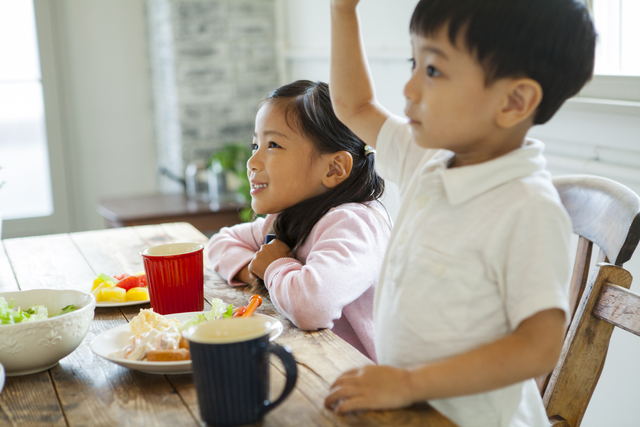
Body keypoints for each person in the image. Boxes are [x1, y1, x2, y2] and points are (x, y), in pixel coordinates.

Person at [324, 0, 596, 425]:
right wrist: (342, 12)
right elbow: (353, 106)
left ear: (514, 101)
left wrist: (408, 382)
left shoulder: (528, 208)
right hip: (411, 409)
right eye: (415, 62)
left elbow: (538, 346)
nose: (409, 88)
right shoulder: (428, 156)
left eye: (432, 70)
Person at [206, 80, 391, 360]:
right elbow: (221, 241)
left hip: (367, 383)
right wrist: (255, 270)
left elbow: (313, 306)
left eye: (273, 145)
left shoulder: (354, 224)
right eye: (255, 144)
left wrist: (274, 268)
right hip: (315, 364)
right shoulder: (288, 216)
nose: (252, 162)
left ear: (334, 168)